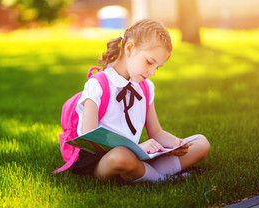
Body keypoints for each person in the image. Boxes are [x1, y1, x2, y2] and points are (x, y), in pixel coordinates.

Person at [71, 18, 210, 182]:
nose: (152, 72)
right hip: (103, 160)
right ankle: (162, 179)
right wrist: (136, 148)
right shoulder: (98, 85)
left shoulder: (145, 87)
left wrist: (176, 144)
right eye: (150, 62)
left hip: (136, 155)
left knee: (201, 143)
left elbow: (156, 132)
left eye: (157, 67)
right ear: (130, 48)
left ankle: (143, 174)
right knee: (121, 156)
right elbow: (90, 137)